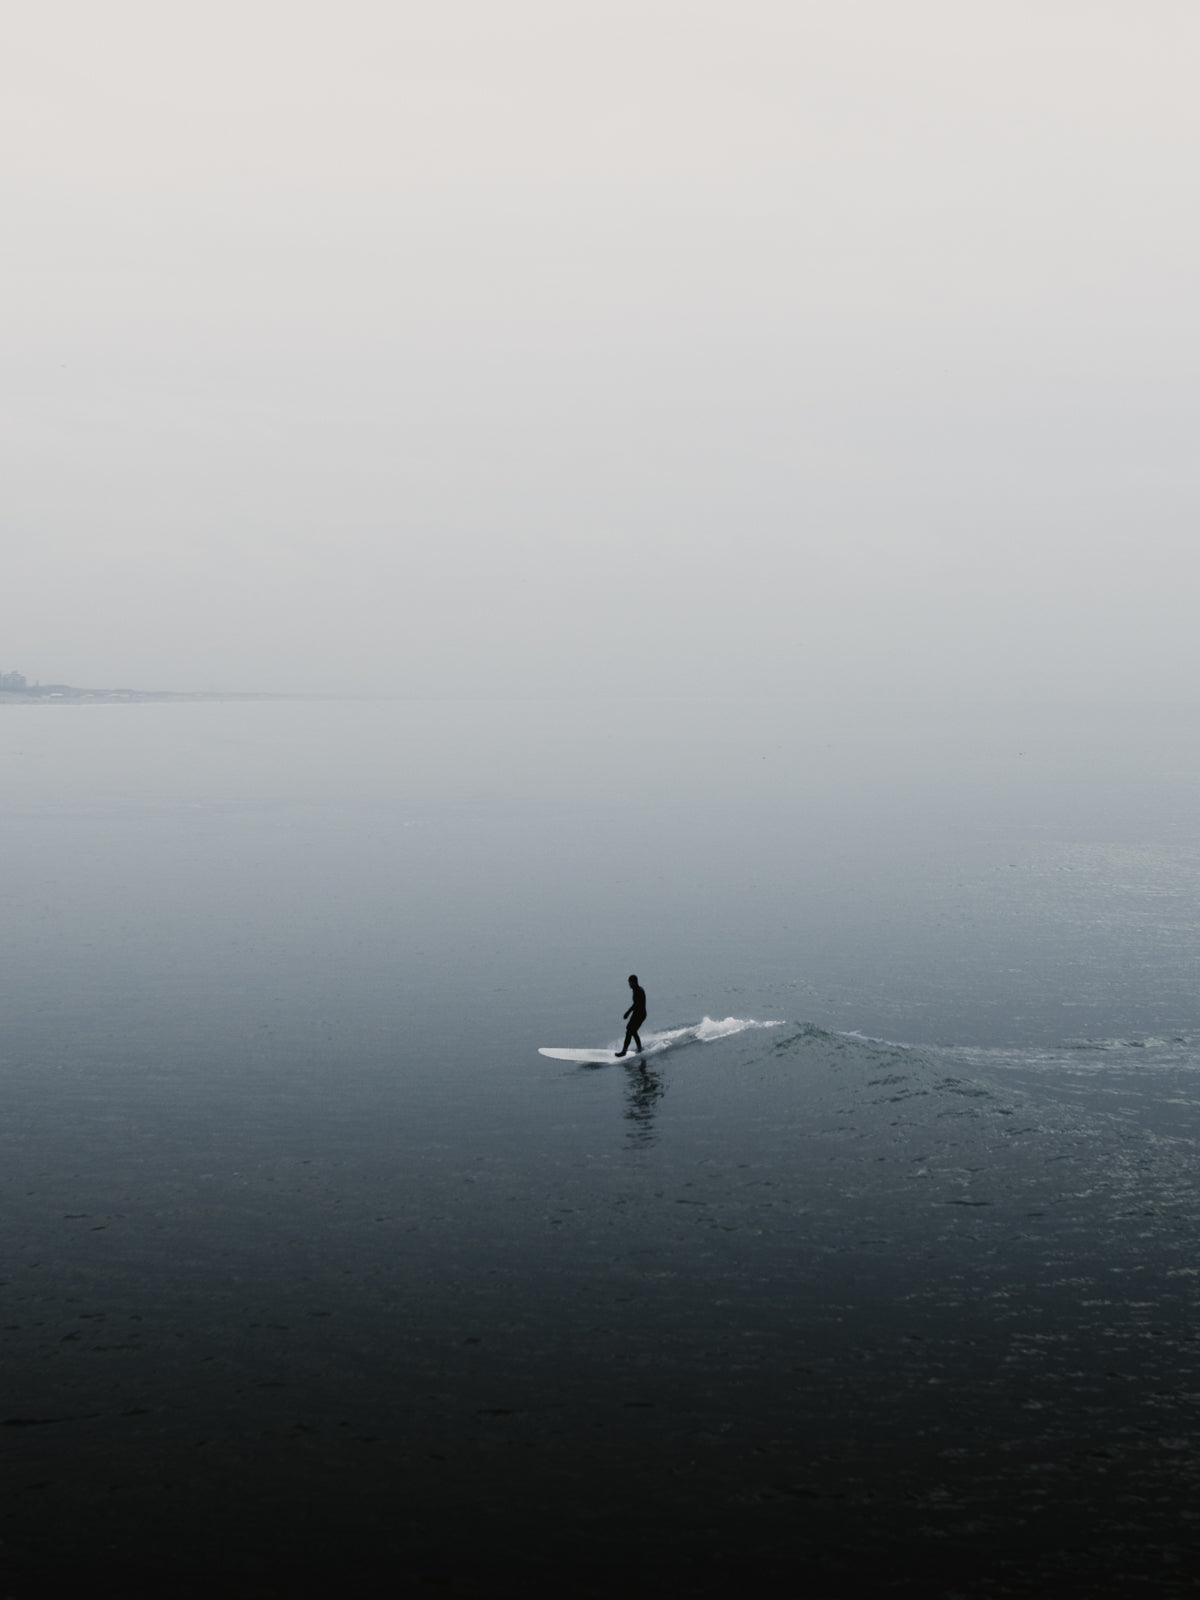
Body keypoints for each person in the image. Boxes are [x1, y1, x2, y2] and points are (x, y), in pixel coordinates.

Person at [615, 974, 647, 1057]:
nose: (629, 984)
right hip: (637, 1013)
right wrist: (628, 1013)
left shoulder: (639, 991)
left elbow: (636, 1005)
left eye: (630, 983)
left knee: (630, 1030)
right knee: (631, 1030)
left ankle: (624, 1051)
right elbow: (635, 1004)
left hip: (640, 1014)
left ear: (633, 982)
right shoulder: (636, 990)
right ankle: (639, 1049)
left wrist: (627, 1013)